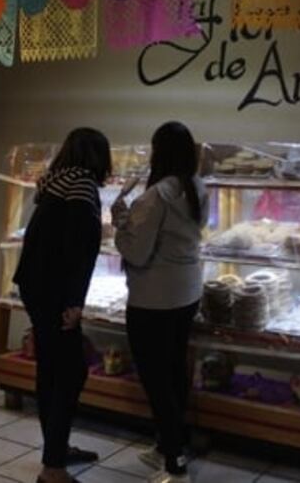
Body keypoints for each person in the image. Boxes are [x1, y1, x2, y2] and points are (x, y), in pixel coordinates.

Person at [13, 127, 112, 483]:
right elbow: (77, 250)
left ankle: (57, 448)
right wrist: (74, 303)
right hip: (56, 292)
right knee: (71, 373)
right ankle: (53, 467)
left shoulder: (54, 182)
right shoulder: (83, 185)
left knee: (51, 371)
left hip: (35, 285)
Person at [112, 121, 208, 483]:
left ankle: (174, 463)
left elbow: (135, 252)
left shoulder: (155, 196)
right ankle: (171, 443)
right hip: (187, 292)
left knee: (156, 380)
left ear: (159, 153)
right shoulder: (197, 187)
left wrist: (121, 224)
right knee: (173, 372)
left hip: (153, 298)